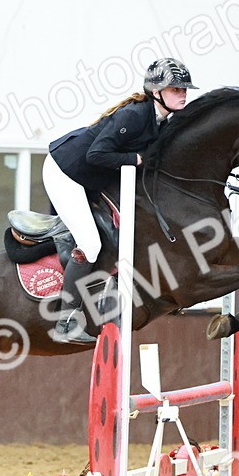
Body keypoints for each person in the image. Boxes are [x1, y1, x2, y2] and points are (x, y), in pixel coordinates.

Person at [43, 57, 197, 343]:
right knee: (91, 244)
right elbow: (96, 154)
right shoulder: (134, 116)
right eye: (176, 89)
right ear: (156, 92)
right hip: (66, 171)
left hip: (95, 175)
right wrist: (135, 159)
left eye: (184, 89)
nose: (183, 94)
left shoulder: (162, 121)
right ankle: (65, 321)